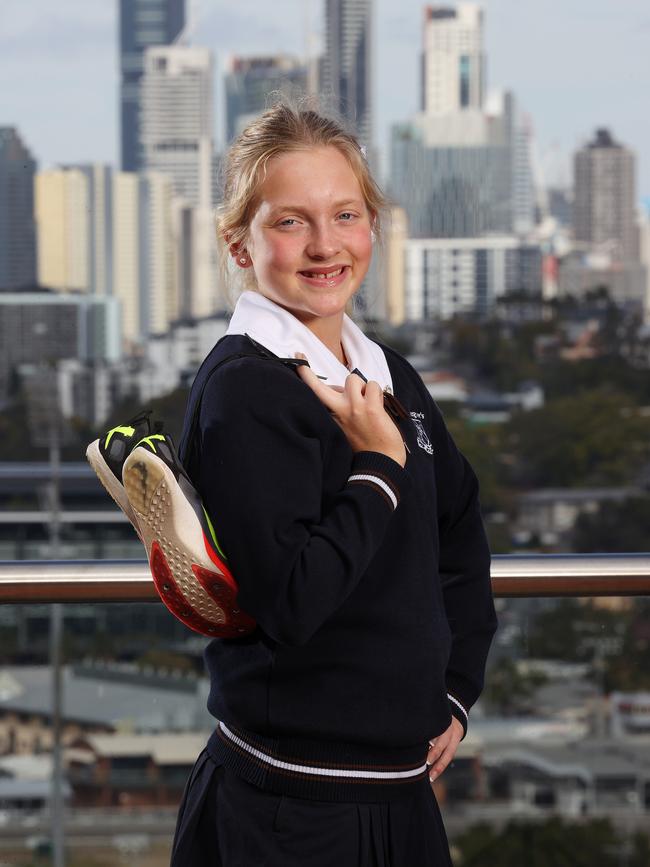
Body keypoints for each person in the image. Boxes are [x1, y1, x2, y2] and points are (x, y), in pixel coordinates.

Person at [169, 102, 497, 867]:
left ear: (374, 227)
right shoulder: (242, 391)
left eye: (346, 214)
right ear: (240, 245)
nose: (325, 245)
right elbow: (291, 600)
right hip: (288, 812)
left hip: (403, 795)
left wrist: (454, 691)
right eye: (290, 222)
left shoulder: (391, 375)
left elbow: (459, 533)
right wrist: (378, 466)